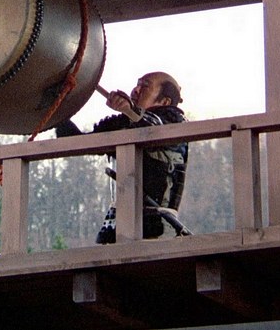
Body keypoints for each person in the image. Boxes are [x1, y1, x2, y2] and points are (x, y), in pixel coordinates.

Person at [55, 72, 190, 243]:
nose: (136, 89)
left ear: (164, 101)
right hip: (117, 227)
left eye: (145, 86)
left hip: (157, 227)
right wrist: (58, 106)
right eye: (137, 84)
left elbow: (152, 128)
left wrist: (128, 109)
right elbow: (76, 142)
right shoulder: (123, 123)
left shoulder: (174, 123)